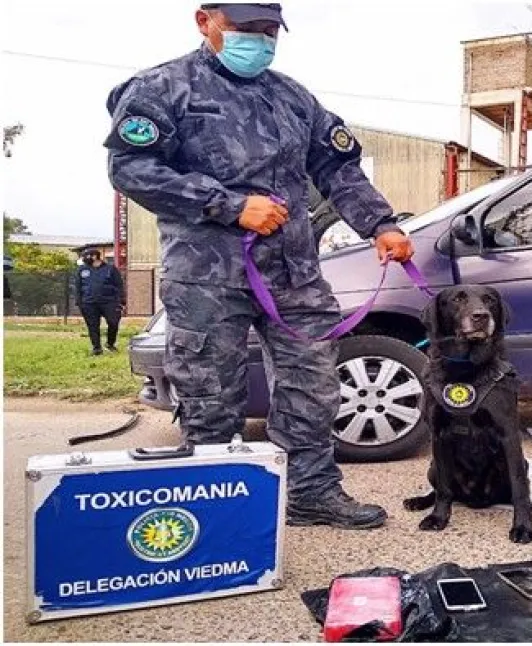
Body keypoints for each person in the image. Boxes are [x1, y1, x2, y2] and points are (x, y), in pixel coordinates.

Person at [103, 2, 414, 529]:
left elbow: (337, 167)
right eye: (248, 29)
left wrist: (381, 225)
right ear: (206, 21)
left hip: (294, 271)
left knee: (313, 382)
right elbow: (130, 168)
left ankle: (311, 492)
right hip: (207, 276)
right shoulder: (162, 88)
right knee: (210, 393)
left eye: (270, 30)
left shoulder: (292, 97)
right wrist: (230, 204)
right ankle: (215, 501)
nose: (261, 40)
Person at [75, 249, 125, 356]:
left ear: (94, 256)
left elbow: (119, 285)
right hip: (89, 303)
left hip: (109, 301)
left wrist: (121, 300)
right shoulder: (82, 270)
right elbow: (78, 287)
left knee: (113, 322)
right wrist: (80, 303)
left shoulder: (110, 269)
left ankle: (110, 343)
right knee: (93, 325)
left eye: (85, 256)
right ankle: (97, 348)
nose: (83, 259)